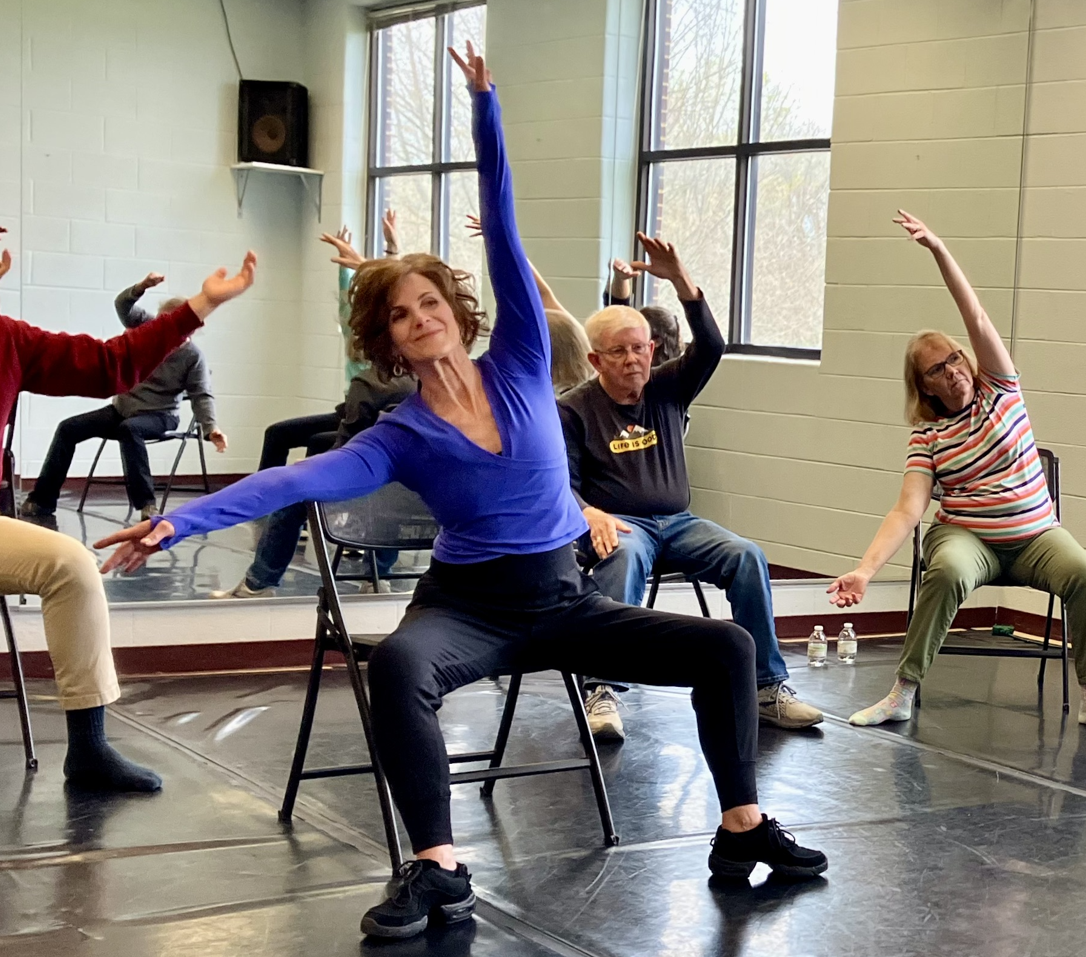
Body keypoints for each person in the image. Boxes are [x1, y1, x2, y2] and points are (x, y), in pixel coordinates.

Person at [95, 45, 826, 941]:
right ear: (390, 340)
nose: (420, 318)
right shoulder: (400, 433)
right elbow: (293, 478)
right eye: (401, 313)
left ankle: (741, 829)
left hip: (561, 598)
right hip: (467, 610)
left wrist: (484, 105)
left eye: (429, 301)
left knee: (728, 645)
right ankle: (439, 866)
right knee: (401, 664)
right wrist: (175, 523)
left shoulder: (520, 357)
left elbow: (507, 225)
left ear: (455, 308)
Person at [0, 230, 257, 792]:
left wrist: (203, 304)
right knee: (76, 434)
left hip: (133, 429)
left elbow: (109, 365)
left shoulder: (9, 339)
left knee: (72, 565)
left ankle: (88, 751)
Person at [829, 210, 1086, 727]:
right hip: (969, 538)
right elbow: (908, 509)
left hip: (1036, 535)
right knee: (944, 571)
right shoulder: (927, 435)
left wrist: (939, 250)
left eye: (953, 360)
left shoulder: (1001, 389)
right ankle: (902, 692)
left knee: (1084, 573)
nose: (952, 372)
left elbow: (978, 318)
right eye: (936, 370)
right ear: (924, 387)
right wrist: (865, 569)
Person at [558, 239, 823, 738]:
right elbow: (559, 487)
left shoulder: (669, 386)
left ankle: (766, 686)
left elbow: (712, 345)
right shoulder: (574, 408)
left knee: (746, 556)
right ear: (596, 359)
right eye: (619, 351)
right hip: (620, 523)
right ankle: (602, 689)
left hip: (679, 523)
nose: (633, 359)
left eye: (640, 348)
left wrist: (681, 280)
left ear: (652, 349)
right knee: (623, 556)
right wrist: (588, 512)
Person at [19, 273, 227, 524]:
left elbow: (201, 394)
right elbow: (122, 305)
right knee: (68, 428)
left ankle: (147, 505)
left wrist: (210, 428)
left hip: (159, 416)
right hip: (122, 409)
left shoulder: (193, 357)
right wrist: (141, 287)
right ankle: (42, 500)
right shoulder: (146, 329)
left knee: (130, 430)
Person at [211, 363, 415, 599]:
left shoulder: (372, 382)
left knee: (294, 498)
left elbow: (349, 449)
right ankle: (376, 577)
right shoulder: (432, 380)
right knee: (393, 489)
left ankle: (258, 583)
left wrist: (311, 470)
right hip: (415, 490)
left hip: (375, 485)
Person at [253, 214, 401, 474]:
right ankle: (264, 503)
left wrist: (392, 250)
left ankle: (303, 511)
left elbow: (394, 290)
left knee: (317, 443)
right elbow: (345, 295)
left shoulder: (391, 333)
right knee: (277, 433)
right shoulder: (353, 332)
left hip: (374, 418)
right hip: (348, 412)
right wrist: (345, 267)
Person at [605, 257, 684, 365]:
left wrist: (678, 277)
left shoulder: (671, 374)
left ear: (655, 342)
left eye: (637, 331)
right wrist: (621, 278)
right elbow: (617, 311)